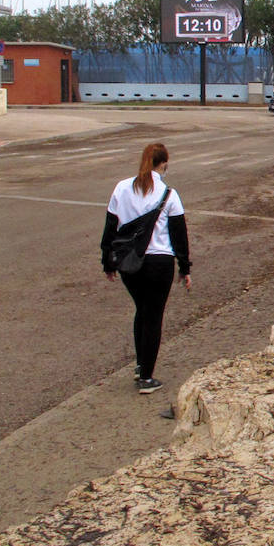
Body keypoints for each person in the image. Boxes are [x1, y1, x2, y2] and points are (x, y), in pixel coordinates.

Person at [100, 142, 191, 395]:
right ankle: (147, 377)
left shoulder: (121, 188)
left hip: (130, 263)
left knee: (141, 310)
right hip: (159, 262)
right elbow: (179, 236)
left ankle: (140, 365)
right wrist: (185, 268)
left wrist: (108, 262)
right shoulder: (169, 194)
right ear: (164, 164)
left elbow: (110, 226)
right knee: (153, 316)